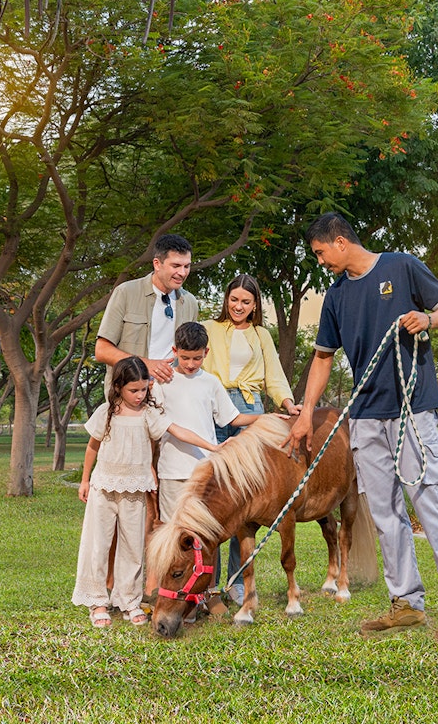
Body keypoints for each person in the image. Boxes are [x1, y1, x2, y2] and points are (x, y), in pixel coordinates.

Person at [281, 212, 438, 645]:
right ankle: (407, 603)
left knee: (429, 505)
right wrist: (305, 414)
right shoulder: (336, 296)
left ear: (340, 242)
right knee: (386, 514)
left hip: (413, 410)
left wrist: (427, 320)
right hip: (366, 417)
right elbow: (322, 357)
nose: (321, 262)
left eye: (321, 253)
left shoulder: (401, 266)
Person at [72, 356, 219, 628]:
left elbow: (178, 431)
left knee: (132, 546)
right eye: (134, 390)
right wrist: (84, 480)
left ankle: (128, 600)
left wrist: (213, 447)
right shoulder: (105, 413)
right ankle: (97, 601)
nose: (140, 395)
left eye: (144, 389)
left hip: (135, 490)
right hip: (103, 487)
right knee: (98, 544)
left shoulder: (149, 414)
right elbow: (92, 447)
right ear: (118, 387)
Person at [202, 274, 301, 603]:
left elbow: (274, 375)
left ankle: (237, 580)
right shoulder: (210, 328)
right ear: (225, 299)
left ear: (255, 305)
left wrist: (289, 405)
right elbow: (189, 361)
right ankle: (209, 583)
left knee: (244, 499)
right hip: (215, 404)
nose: (238, 306)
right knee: (215, 496)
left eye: (246, 302)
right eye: (234, 300)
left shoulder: (261, 336)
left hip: (252, 409)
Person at [153, 322, 263, 523]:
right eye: (185, 358)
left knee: (205, 528)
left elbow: (233, 418)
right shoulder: (162, 382)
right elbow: (157, 427)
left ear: (206, 352)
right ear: (175, 351)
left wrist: (265, 417)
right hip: (172, 471)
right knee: (172, 529)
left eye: (197, 358)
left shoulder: (211, 382)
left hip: (206, 470)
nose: (190, 364)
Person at [95, 234, 198, 391]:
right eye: (176, 266)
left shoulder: (190, 302)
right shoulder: (126, 292)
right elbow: (102, 350)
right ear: (157, 264)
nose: (182, 273)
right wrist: (145, 365)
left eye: (187, 266)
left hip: (172, 393)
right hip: (128, 395)